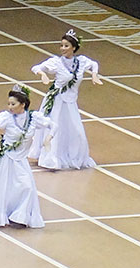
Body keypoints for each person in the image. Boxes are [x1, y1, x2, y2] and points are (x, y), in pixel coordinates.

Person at [0, 85, 55, 227]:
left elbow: (53, 126)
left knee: (26, 187)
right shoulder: (6, 118)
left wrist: (48, 139)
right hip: (4, 156)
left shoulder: (34, 118)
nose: (10, 107)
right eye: (9, 104)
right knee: (0, 187)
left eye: (13, 104)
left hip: (20, 159)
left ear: (23, 104)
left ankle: (20, 215)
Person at [27, 28, 102, 170]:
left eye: (66, 46)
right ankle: (51, 157)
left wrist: (94, 74)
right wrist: (43, 74)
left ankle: (72, 155)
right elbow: (36, 67)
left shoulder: (81, 61)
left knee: (75, 130)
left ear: (74, 47)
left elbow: (94, 64)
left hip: (71, 102)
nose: (63, 48)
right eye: (61, 45)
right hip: (56, 101)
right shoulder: (56, 62)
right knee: (55, 128)